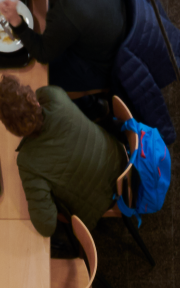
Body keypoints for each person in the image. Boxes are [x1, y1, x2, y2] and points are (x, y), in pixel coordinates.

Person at [0, 74, 124, 237]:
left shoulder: (27, 161)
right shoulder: (54, 96)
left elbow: (47, 226)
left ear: (12, 130)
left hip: (104, 198)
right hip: (120, 159)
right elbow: (40, 94)